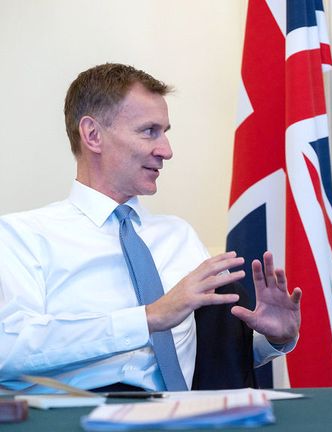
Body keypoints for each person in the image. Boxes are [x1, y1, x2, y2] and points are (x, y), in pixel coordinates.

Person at [0, 63, 301, 392]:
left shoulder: (179, 236)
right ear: (93, 135)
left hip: (191, 419)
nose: (166, 151)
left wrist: (274, 338)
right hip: (81, 419)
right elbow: (9, 348)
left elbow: (217, 360)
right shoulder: (22, 236)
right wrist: (148, 318)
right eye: (149, 131)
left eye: (166, 132)